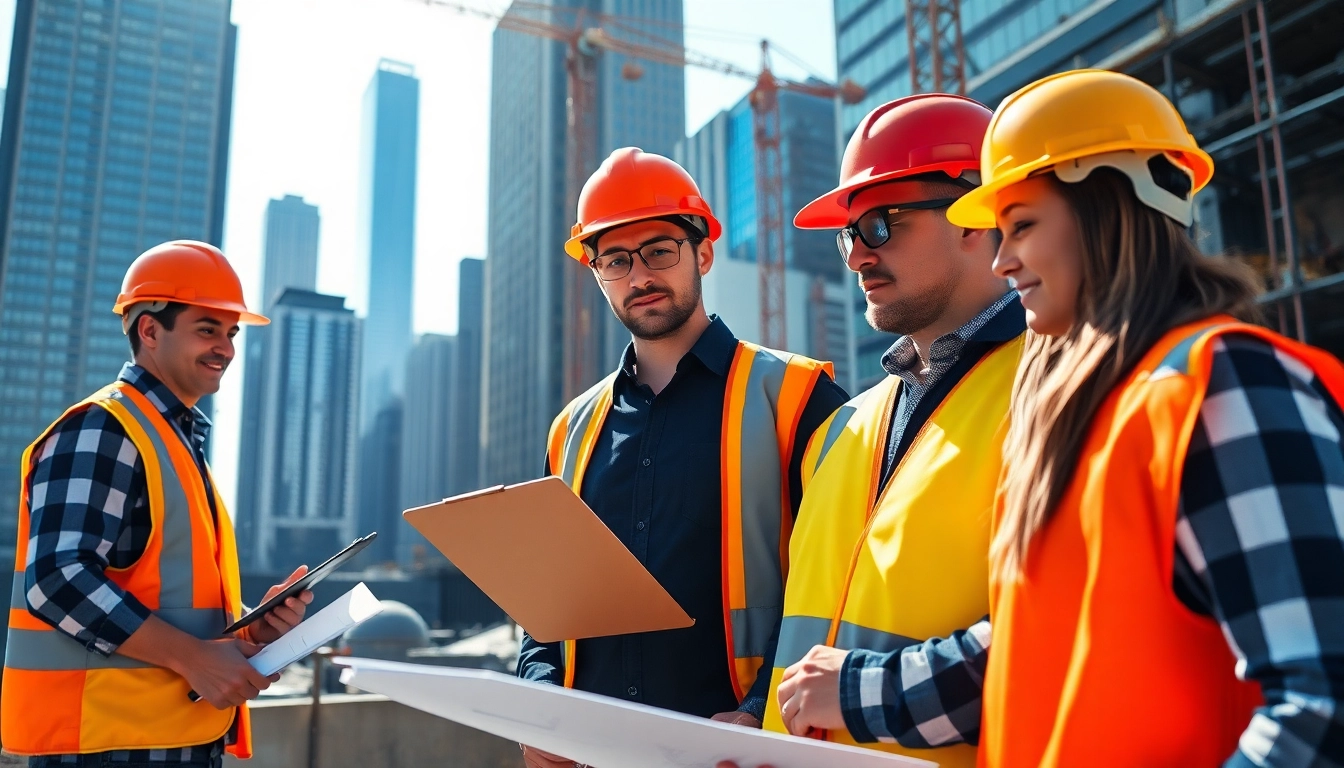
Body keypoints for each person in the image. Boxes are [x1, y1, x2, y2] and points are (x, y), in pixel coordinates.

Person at [517, 148, 850, 768]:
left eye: (659, 250)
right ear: (596, 273)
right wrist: (538, 703)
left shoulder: (798, 398)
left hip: (744, 753)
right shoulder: (571, 432)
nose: (638, 275)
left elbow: (840, 584)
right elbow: (546, 609)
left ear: (703, 253)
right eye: (615, 260)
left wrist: (759, 708)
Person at [739, 95, 1021, 768]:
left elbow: (1071, 641)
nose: (857, 257)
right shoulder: (840, 428)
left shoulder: (1057, 390)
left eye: (881, 225)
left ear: (976, 217)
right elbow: (803, 617)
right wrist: (753, 715)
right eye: (849, 235)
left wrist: (860, 695)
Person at [2, 241, 314, 767]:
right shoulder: (104, 428)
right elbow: (56, 579)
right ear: (149, 330)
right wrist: (195, 660)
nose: (225, 349)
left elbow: (164, 593)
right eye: (207, 330)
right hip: (107, 745)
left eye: (231, 333)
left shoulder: (174, 444)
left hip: (171, 737)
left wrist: (249, 627)